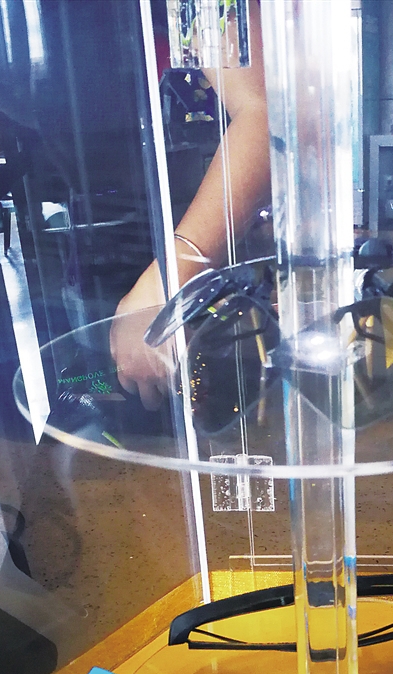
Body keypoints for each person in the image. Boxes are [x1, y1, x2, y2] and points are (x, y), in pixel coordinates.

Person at [109, 0, 271, 410]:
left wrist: (171, 278)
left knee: (208, 419)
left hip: (186, 263)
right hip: (91, 254)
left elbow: (266, 114)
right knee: (95, 411)